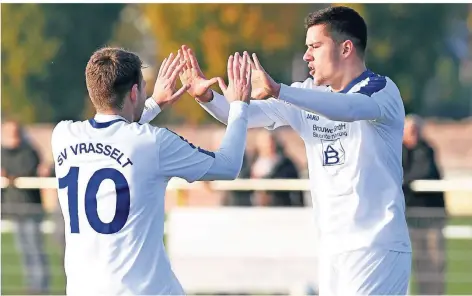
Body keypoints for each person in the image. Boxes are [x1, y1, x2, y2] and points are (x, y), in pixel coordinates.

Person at [179, 6, 411, 295]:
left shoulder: (380, 90)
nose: (306, 56)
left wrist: (280, 91)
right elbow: (240, 115)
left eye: (315, 46)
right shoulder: (307, 94)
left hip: (377, 246)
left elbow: (349, 109)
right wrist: (207, 97)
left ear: (346, 48)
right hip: (332, 249)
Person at [51, 47, 252, 295]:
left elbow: (115, 137)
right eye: (143, 88)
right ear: (134, 92)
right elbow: (228, 165)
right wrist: (239, 107)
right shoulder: (153, 142)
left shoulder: (62, 135)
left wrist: (154, 104)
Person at [1, 120, 50, 295]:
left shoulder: (29, 151)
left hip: (30, 209)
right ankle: (32, 286)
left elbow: (27, 169)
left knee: (35, 249)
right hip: (14, 210)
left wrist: (10, 176)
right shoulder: (3, 152)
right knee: (24, 251)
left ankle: (41, 287)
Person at [402, 114, 446, 295]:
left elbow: (423, 172)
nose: (414, 133)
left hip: (430, 217)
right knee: (408, 262)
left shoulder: (426, 150)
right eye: (410, 129)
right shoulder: (397, 150)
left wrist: (403, 181)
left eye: (416, 129)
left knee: (433, 264)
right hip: (407, 217)